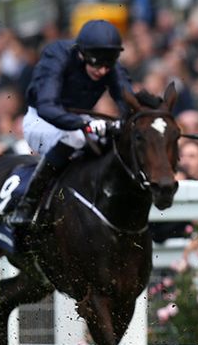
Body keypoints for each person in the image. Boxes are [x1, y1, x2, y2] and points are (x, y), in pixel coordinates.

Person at [8, 20, 133, 226]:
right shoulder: (57, 56)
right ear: (81, 53)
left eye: (107, 64)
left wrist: (127, 123)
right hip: (40, 119)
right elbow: (47, 106)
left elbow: (128, 101)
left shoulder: (108, 65)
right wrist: (83, 125)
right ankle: (27, 203)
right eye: (96, 62)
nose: (102, 71)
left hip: (79, 121)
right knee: (74, 136)